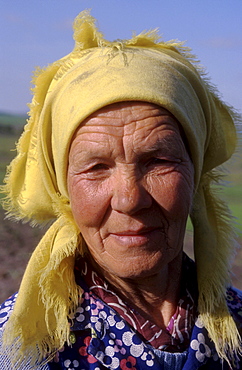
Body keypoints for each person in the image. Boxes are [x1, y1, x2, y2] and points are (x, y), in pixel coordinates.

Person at [0, 10, 241, 370]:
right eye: (96, 167)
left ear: (197, 170)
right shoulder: (20, 349)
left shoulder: (235, 328)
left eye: (159, 160)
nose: (130, 199)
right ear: (62, 186)